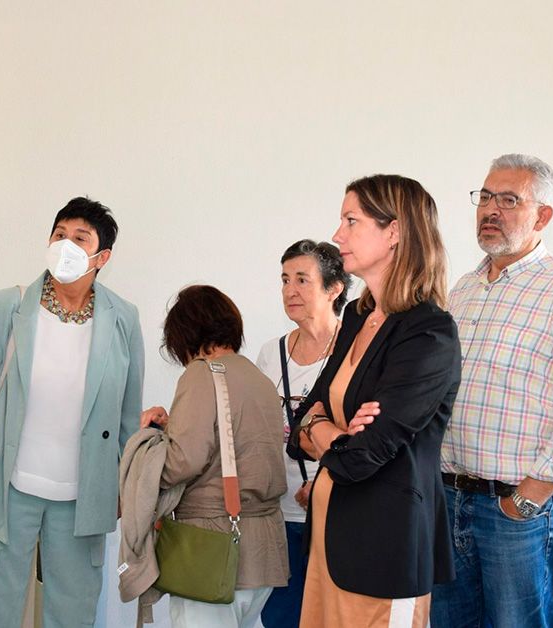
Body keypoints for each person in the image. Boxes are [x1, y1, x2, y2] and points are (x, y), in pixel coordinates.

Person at [431, 154, 553, 628]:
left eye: (510, 200)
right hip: (449, 503)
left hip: (515, 513)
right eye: (486, 197)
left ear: (542, 215)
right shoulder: (463, 290)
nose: (491, 209)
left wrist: (527, 500)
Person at [0, 197, 145, 628]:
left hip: (83, 494)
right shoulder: (4, 308)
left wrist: (123, 485)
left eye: (80, 238)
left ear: (103, 257)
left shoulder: (123, 319)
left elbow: (128, 417)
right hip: (5, 485)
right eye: (59, 234)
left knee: (73, 613)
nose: (66, 245)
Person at [289, 174, 461, 627]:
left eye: (351, 221)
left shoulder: (428, 332)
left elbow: (361, 457)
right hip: (329, 544)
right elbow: (304, 415)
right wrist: (328, 430)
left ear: (395, 232)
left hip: (383, 553)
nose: (337, 235)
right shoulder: (358, 316)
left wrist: (324, 434)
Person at [140, 285, 288, 628]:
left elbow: (185, 460)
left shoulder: (202, 373)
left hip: (212, 547)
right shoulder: (259, 379)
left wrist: (146, 463)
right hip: (263, 550)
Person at [254, 239, 349, 628]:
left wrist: (327, 483)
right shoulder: (269, 353)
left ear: (334, 288)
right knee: (280, 618)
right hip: (280, 515)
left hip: (337, 516)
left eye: (302, 280)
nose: (290, 290)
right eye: (284, 279)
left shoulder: (355, 350)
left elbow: (365, 437)